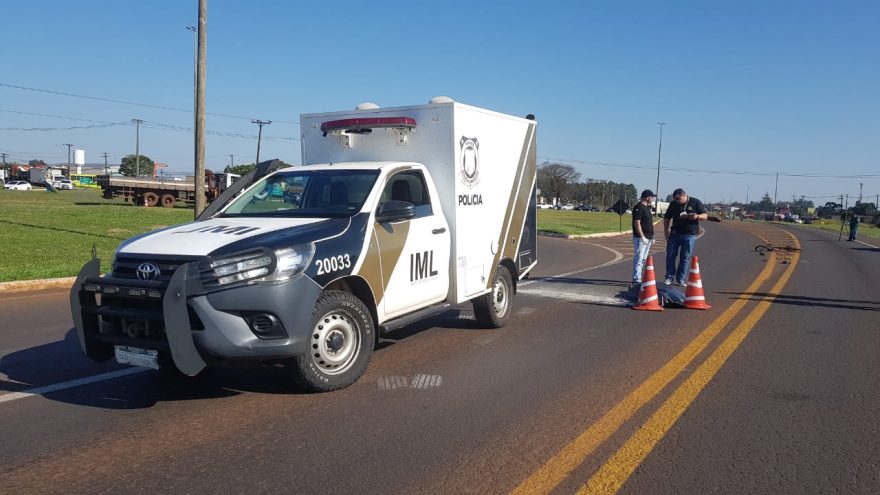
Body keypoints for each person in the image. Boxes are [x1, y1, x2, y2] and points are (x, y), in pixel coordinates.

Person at [663, 188, 708, 286]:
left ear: (684, 196)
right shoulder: (673, 204)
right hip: (675, 233)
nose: (677, 201)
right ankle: (669, 277)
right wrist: (666, 231)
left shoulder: (695, 202)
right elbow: (667, 218)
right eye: (675, 199)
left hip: (689, 235)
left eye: (678, 199)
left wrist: (696, 217)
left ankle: (680, 279)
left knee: (685, 257)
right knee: (670, 255)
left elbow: (705, 216)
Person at [631, 189, 656, 286]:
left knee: (643, 259)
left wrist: (652, 236)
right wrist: (642, 237)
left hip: (648, 237)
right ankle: (636, 278)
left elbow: (649, 223)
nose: (652, 198)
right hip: (640, 238)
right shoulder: (639, 207)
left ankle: (639, 277)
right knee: (639, 258)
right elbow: (637, 223)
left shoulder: (647, 208)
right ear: (647, 197)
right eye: (652, 197)